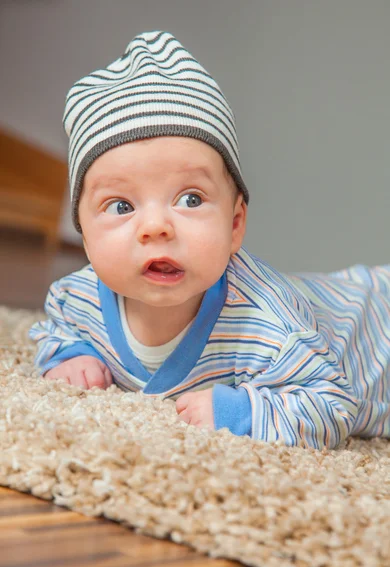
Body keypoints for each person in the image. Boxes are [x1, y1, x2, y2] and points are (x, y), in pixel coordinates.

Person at [29, 31, 390, 450]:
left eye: (190, 198)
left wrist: (240, 411)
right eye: (121, 206)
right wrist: (70, 356)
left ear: (235, 224)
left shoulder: (266, 325)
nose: (156, 227)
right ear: (84, 234)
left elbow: (332, 405)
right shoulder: (78, 299)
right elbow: (56, 330)